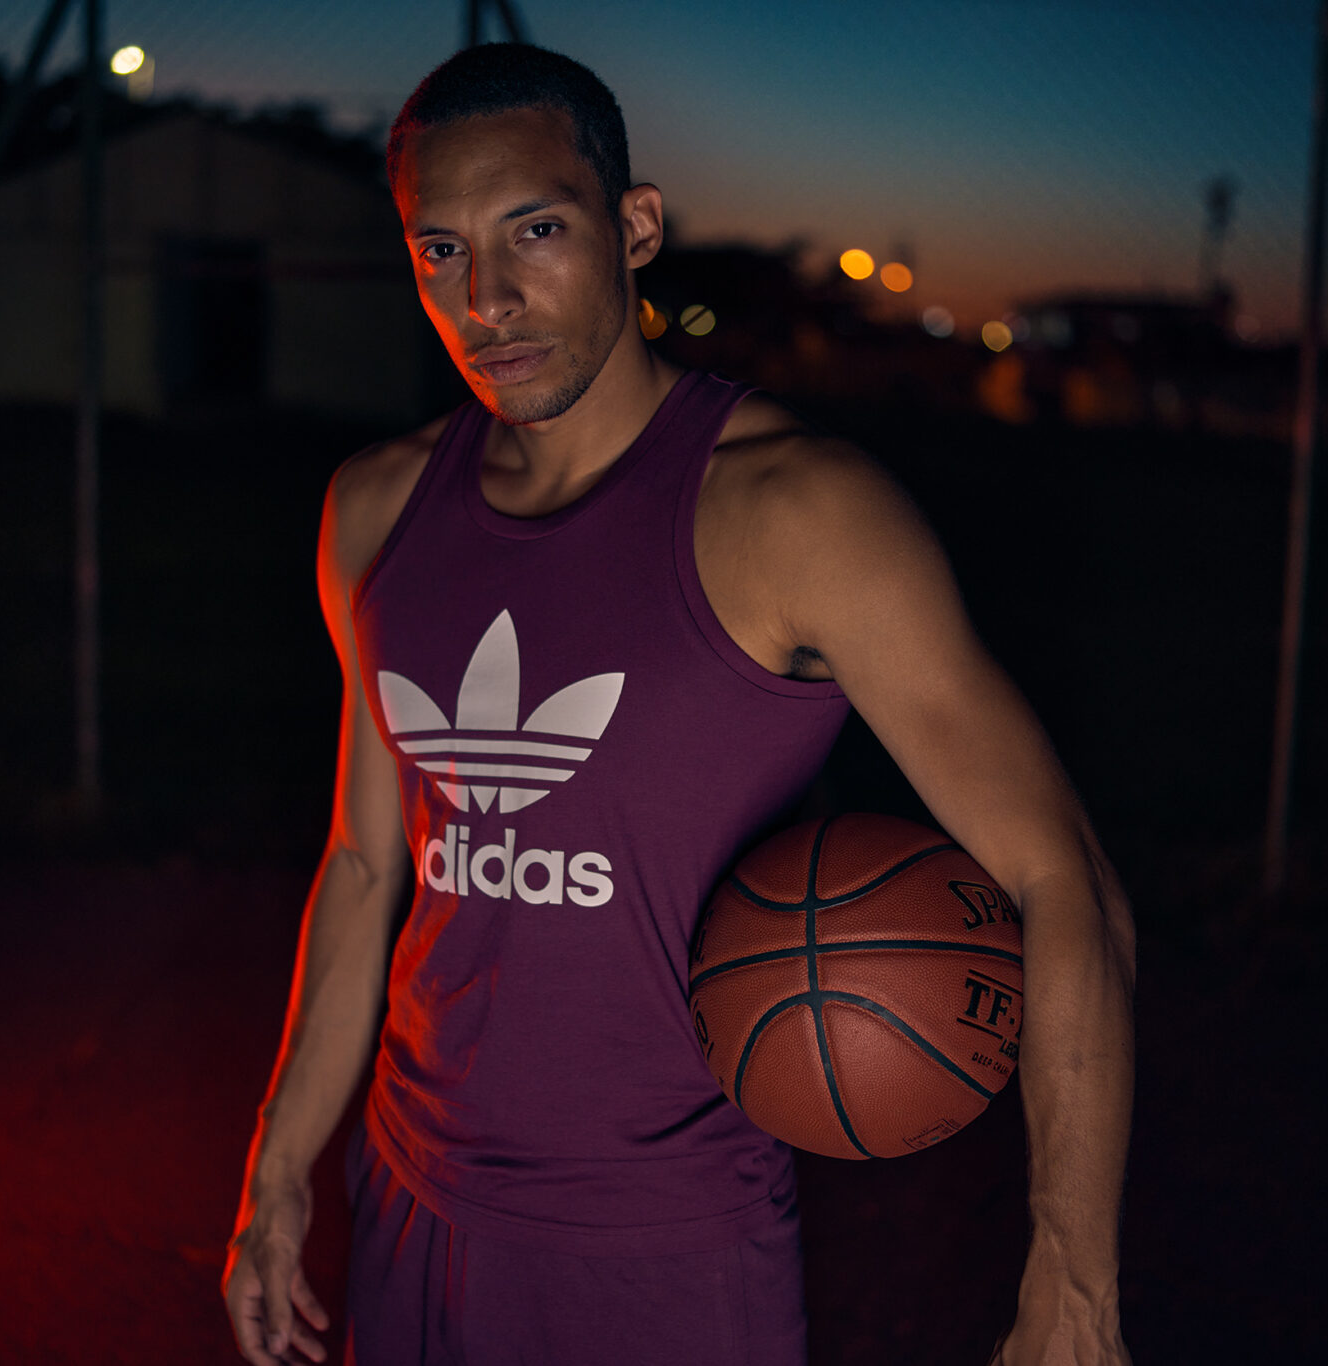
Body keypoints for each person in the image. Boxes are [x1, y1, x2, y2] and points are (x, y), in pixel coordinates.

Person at [222, 43, 1135, 1366]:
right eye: (441, 252)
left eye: (537, 230)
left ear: (636, 228)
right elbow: (367, 865)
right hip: (409, 1196)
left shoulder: (798, 512)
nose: (488, 297)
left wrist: (1074, 1285)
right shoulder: (373, 507)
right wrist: (280, 1166)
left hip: (666, 1243)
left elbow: (1064, 880)